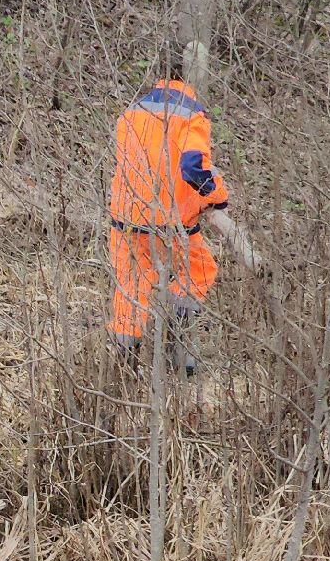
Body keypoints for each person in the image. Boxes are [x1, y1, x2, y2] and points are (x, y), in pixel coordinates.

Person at [107, 48, 260, 366]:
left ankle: (124, 365)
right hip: (171, 222)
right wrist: (216, 197)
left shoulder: (132, 110)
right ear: (194, 75)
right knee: (200, 271)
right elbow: (192, 166)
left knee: (132, 284)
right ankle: (180, 346)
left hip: (126, 217)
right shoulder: (192, 115)